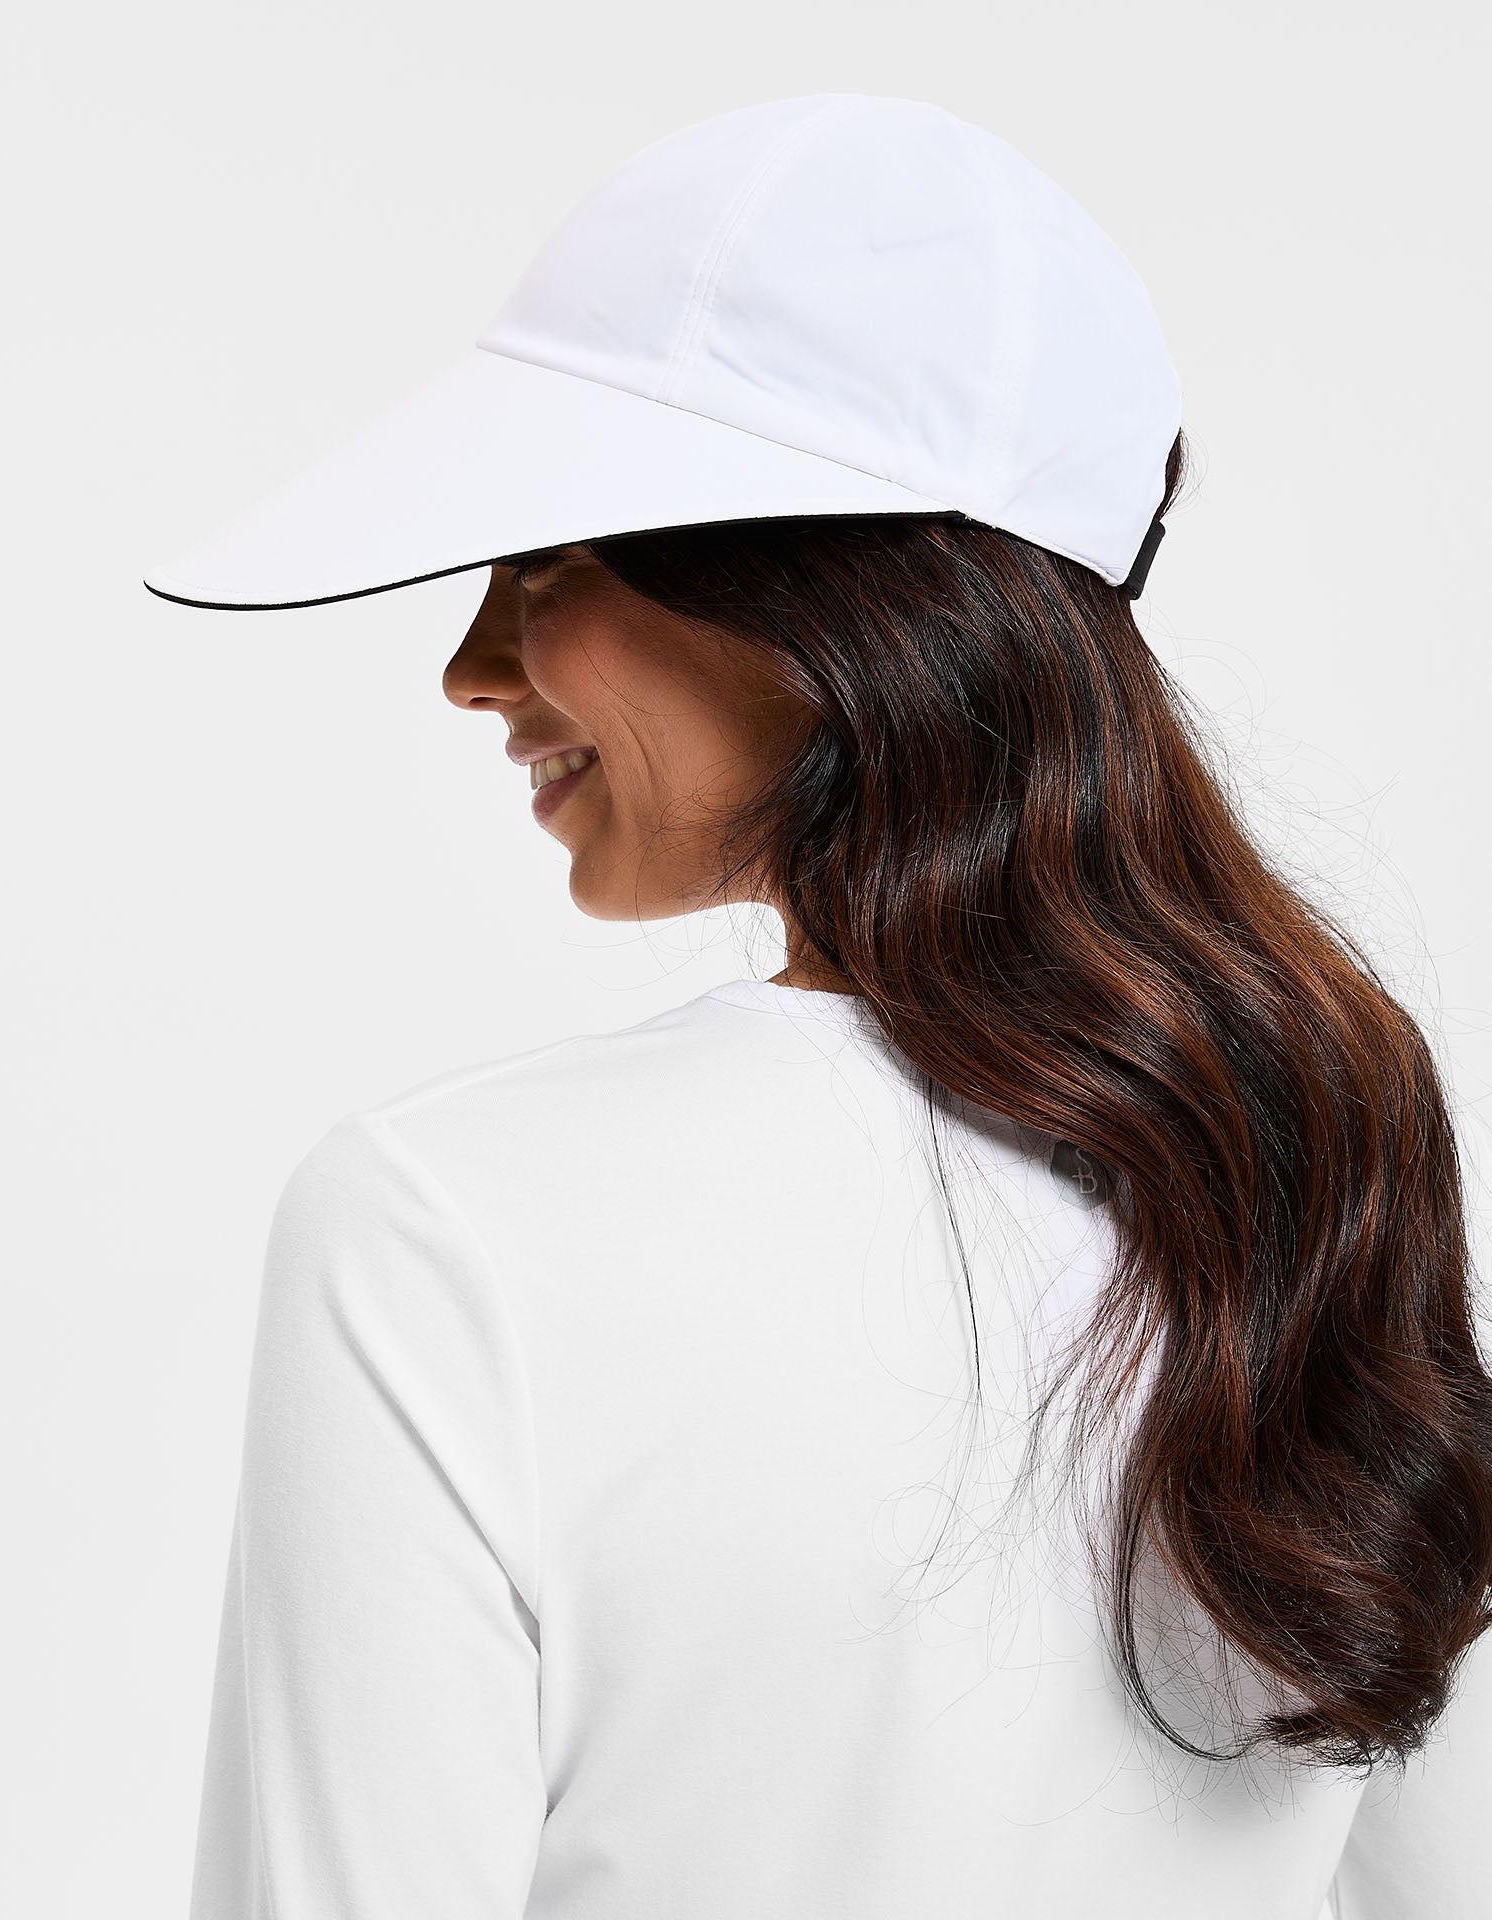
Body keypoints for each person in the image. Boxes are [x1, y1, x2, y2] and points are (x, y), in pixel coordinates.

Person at [146, 95, 1492, 1920]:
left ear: (823, 600)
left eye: (546, 563)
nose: (470, 669)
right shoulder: (1318, 1149)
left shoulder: (440, 1226)